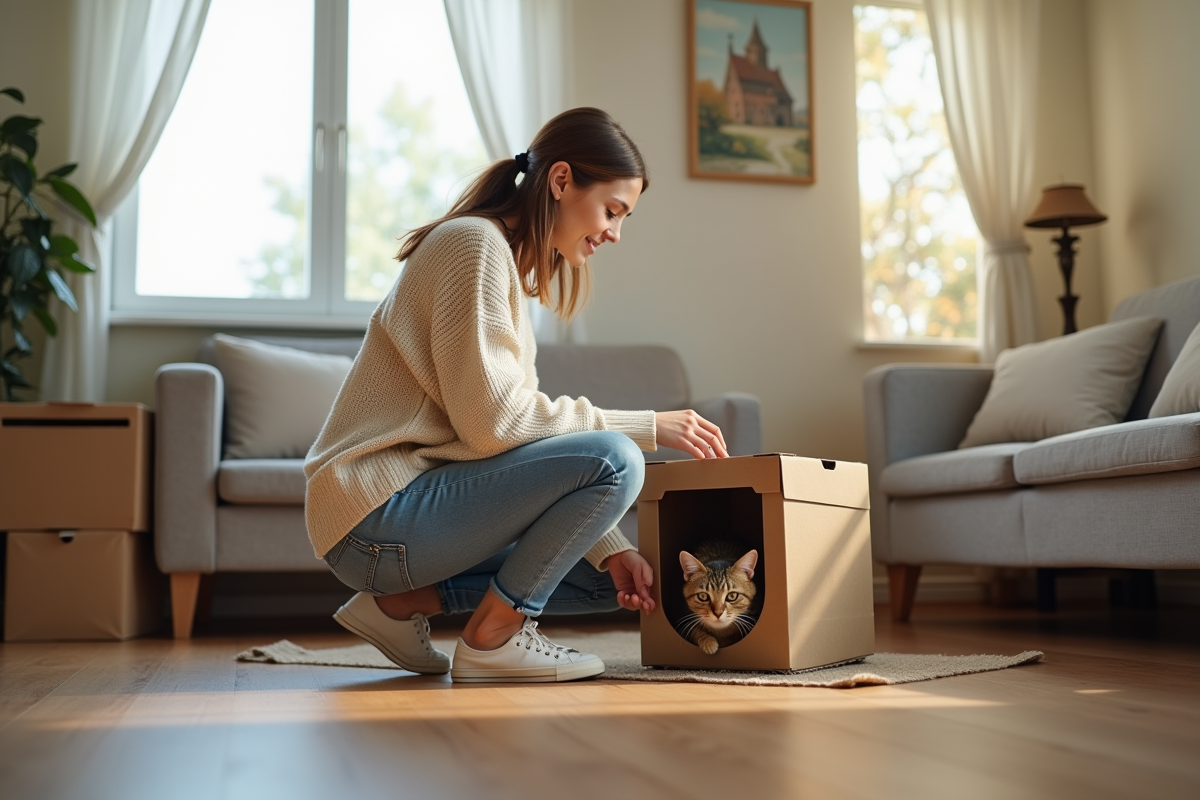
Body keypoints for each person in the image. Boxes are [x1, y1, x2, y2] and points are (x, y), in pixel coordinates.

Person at [305, 107, 729, 683]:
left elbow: (504, 445)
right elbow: (496, 426)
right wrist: (645, 426)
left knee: (618, 576)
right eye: (612, 210)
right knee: (617, 457)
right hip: (377, 519)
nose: (614, 233)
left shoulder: (495, 259)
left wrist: (608, 546)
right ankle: (492, 641)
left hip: (405, 519)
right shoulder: (472, 247)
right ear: (560, 182)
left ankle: (399, 606)